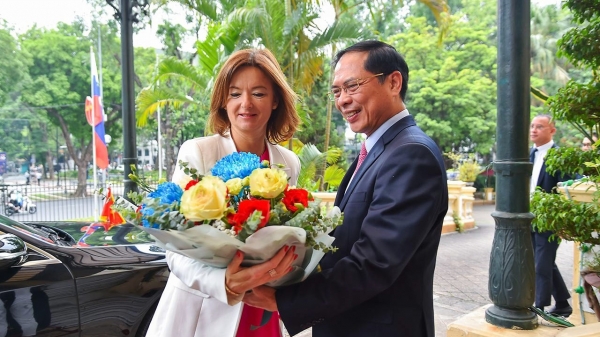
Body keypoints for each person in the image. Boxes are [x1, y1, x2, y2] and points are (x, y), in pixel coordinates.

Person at [243, 40, 448, 337]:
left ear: (393, 82)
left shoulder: (411, 154)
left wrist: (285, 300)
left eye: (352, 86)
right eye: (337, 91)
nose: (342, 101)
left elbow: (374, 262)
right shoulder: (377, 150)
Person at [146, 48, 302, 337]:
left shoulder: (289, 162)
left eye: (258, 93)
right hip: (202, 310)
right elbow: (175, 247)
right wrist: (224, 283)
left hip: (264, 306)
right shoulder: (198, 152)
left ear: (276, 100)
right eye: (234, 94)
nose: (246, 104)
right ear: (223, 101)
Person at [529, 114, 572, 317]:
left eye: (540, 126)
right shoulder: (530, 154)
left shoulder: (559, 157)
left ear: (552, 130)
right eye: (532, 126)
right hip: (529, 218)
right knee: (545, 263)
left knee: (541, 264)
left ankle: (540, 307)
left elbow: (568, 188)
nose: (534, 130)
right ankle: (563, 303)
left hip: (549, 219)